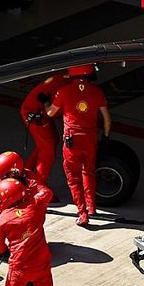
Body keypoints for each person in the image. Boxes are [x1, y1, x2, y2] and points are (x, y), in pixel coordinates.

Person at [46, 65, 111, 226]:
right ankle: (91, 206)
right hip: (90, 139)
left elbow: (51, 113)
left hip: (72, 141)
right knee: (88, 172)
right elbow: (107, 119)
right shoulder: (97, 92)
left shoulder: (64, 91)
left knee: (73, 178)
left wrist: (45, 102)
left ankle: (82, 213)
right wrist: (106, 136)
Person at [19, 73, 68, 183]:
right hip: (34, 113)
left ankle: (25, 173)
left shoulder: (64, 78)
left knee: (51, 141)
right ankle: (37, 187)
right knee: (48, 151)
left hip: (39, 112)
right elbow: (52, 112)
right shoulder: (66, 87)